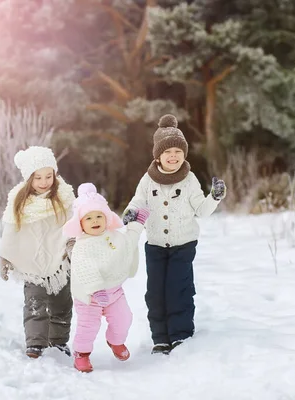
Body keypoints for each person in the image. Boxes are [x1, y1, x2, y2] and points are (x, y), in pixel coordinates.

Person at [124, 114, 227, 355]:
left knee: (179, 289)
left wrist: (214, 197)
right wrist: (130, 214)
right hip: (156, 245)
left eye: (178, 152)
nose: (173, 156)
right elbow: (137, 203)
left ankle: (180, 335)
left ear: (184, 154)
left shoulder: (189, 179)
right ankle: (160, 338)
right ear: (158, 155)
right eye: (168, 152)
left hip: (183, 245)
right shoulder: (148, 180)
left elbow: (201, 210)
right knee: (156, 292)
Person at [62, 183, 149, 372]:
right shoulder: (82, 245)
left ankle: (115, 341)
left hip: (114, 291)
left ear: (107, 218)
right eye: (89, 218)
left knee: (124, 319)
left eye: (99, 216)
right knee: (88, 327)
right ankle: (82, 353)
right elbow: (85, 268)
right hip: (89, 295)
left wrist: (138, 223)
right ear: (81, 224)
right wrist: (96, 289)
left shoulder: (114, 237)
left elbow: (129, 242)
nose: (95, 221)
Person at [0, 146, 76, 359]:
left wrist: (71, 244)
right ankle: (35, 343)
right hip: (30, 264)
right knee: (35, 302)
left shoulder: (63, 197)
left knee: (62, 303)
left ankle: (58, 341)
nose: (44, 182)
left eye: (48, 176)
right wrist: (5, 257)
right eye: (38, 177)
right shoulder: (19, 202)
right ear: (28, 179)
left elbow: (71, 225)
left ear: (55, 174)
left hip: (59, 261)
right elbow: (11, 231)